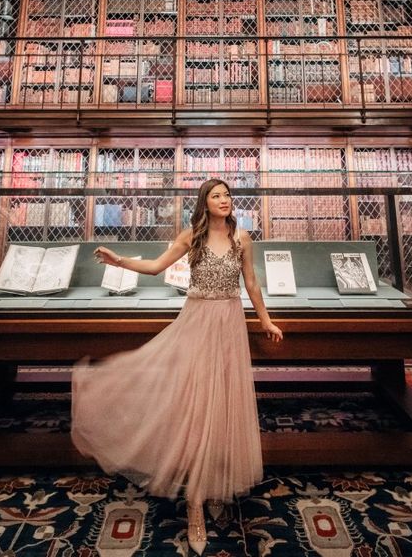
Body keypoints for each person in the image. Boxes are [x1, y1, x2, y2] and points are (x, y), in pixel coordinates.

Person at [71, 178, 283, 555]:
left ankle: (217, 483)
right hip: (197, 322)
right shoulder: (191, 237)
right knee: (196, 407)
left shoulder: (243, 238)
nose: (225, 200)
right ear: (204, 203)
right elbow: (155, 267)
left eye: (228, 196)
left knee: (224, 404)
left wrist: (264, 319)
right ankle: (195, 502)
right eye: (217, 196)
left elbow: (250, 282)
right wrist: (119, 260)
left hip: (230, 324)